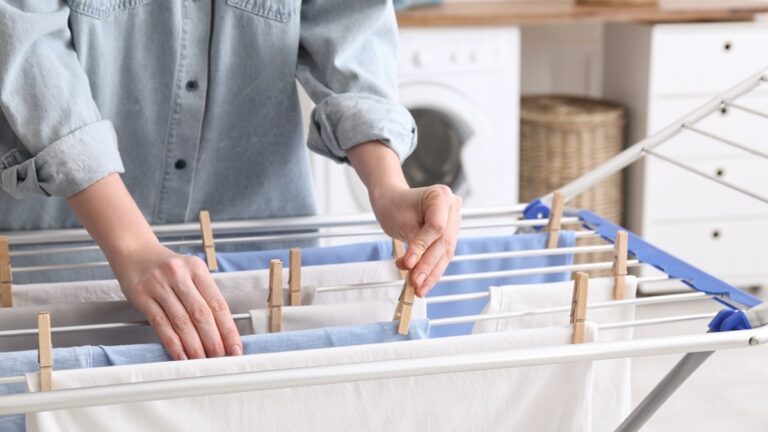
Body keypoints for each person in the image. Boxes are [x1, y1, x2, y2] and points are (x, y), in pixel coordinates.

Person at [0, 1, 462, 360]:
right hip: (65, 253)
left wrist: (389, 186)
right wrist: (132, 246)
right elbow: (27, 48)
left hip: (259, 250)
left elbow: (350, 25)